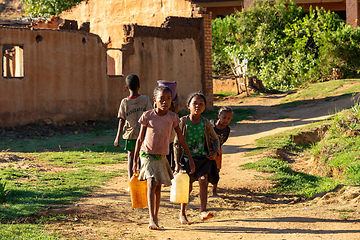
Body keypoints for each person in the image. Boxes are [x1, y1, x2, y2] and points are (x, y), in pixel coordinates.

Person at [133, 86, 195, 230]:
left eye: (168, 99)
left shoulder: (172, 118)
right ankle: (151, 219)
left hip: (161, 156)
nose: (165, 102)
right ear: (155, 100)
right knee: (151, 183)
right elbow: (140, 139)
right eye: (162, 99)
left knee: (158, 187)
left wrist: (190, 158)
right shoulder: (148, 116)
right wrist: (135, 159)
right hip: (147, 154)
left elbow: (181, 138)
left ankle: (156, 216)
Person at [174, 92, 220, 225]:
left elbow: (215, 139)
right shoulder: (182, 122)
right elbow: (176, 144)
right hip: (187, 160)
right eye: (195, 103)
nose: (198, 106)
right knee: (186, 187)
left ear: (205, 107)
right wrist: (177, 162)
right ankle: (182, 213)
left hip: (203, 158)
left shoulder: (206, 123)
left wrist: (215, 152)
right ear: (188, 106)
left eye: (201, 104)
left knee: (204, 180)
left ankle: (203, 211)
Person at [114, 74, 152, 180]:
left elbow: (121, 120)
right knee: (142, 156)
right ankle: (141, 178)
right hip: (143, 133)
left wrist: (117, 137)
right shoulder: (145, 99)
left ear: (126, 87)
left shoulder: (125, 102)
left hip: (130, 133)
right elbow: (150, 115)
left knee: (131, 157)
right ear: (139, 85)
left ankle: (131, 179)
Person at [210, 106, 233, 196]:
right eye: (224, 118)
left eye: (228, 119)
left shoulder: (227, 129)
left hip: (218, 151)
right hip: (207, 150)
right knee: (206, 169)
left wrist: (217, 150)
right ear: (219, 116)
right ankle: (203, 188)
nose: (226, 120)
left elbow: (223, 140)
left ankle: (214, 190)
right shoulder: (211, 125)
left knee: (216, 170)